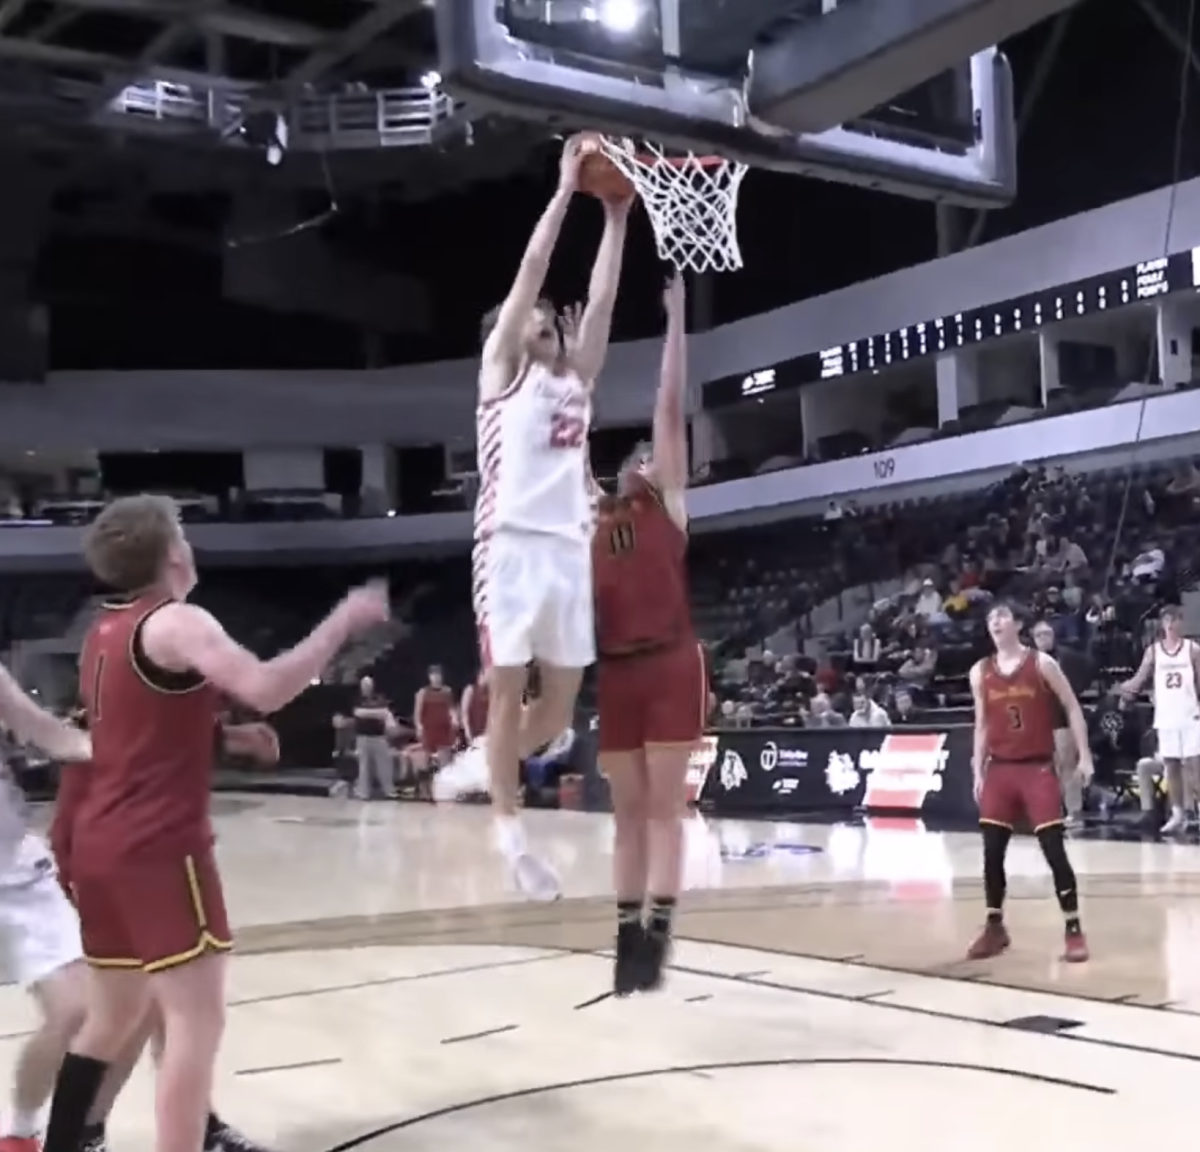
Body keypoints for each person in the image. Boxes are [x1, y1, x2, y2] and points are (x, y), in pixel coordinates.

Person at [42, 494, 388, 1152]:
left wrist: (223, 737)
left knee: (111, 1019)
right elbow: (265, 686)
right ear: (174, 552)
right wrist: (340, 623)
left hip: (101, 843)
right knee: (194, 1027)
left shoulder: (101, 632)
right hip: (159, 848)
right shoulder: (178, 621)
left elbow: (137, 727)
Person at [462, 134, 631, 899]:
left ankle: (479, 765)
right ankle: (510, 836)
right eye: (530, 315)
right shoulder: (503, 372)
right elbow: (534, 271)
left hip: (568, 552)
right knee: (507, 693)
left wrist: (619, 219)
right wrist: (566, 193)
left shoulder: (578, 380)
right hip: (510, 548)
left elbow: (599, 302)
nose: (544, 317)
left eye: (544, 317)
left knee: (556, 709)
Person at [36, 715, 279, 1152]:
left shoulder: (156, 697)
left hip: (132, 860)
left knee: (169, 1007)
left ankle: (194, 1128)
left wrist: (225, 736)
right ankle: (86, 1135)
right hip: (118, 863)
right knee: (141, 1010)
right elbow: (137, 739)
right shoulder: (120, 699)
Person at [593, 274, 703, 995]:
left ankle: (657, 933)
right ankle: (626, 929)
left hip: (668, 663)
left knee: (663, 811)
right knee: (626, 815)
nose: (643, 458)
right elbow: (558, 432)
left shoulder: (668, 500)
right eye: (633, 455)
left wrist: (675, 324)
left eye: (648, 454)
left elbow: (667, 405)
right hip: (616, 668)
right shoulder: (589, 517)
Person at [968, 603, 1093, 963]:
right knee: (992, 853)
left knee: (1054, 849)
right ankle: (994, 927)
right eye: (991, 617)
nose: (995, 620)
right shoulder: (980, 672)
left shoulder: (1041, 663)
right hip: (1000, 769)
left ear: (1018, 624)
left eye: (1002, 615)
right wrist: (978, 770)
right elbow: (981, 725)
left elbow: (1072, 706)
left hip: (1036, 767)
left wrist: (1084, 755)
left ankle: (1073, 929)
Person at [0, 670, 92, 1152]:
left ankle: (21, 1134)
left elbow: (46, 731)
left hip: (17, 872)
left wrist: (124, 751)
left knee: (76, 1008)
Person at [1118, 605, 1200, 833]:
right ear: (1162, 624)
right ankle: (1178, 814)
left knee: (1195, 765)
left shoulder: (1193, 650)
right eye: (1167, 620)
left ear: (1182, 622)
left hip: (1190, 713)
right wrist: (1126, 688)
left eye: (1175, 619)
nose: (1171, 624)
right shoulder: (1153, 651)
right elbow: (1139, 678)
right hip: (1166, 715)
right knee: (1171, 765)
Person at [1031, 620, 1086, 827]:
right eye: (1040, 635)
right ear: (1034, 639)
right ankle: (1054, 810)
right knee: (1047, 768)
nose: (1045, 638)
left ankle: (1075, 811)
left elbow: (1088, 667)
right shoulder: (1030, 661)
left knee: (1067, 765)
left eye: (1048, 634)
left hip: (1062, 719)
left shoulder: (1064, 657)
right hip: (1040, 720)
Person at [352, 676, 396, 800]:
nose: (366, 687)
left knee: (385, 766)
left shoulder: (379, 698)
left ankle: (389, 791)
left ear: (372, 686)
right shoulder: (357, 699)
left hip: (379, 737)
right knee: (364, 766)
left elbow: (385, 713)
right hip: (363, 737)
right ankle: (364, 792)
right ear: (361, 686)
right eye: (364, 684)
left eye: (368, 684)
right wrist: (377, 713)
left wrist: (367, 713)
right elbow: (357, 713)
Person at [460, 671, 489, 746]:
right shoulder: (470, 689)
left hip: (487, 733)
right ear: (480, 675)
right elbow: (464, 713)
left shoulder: (490, 692)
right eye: (486, 674)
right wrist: (467, 732)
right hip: (474, 732)